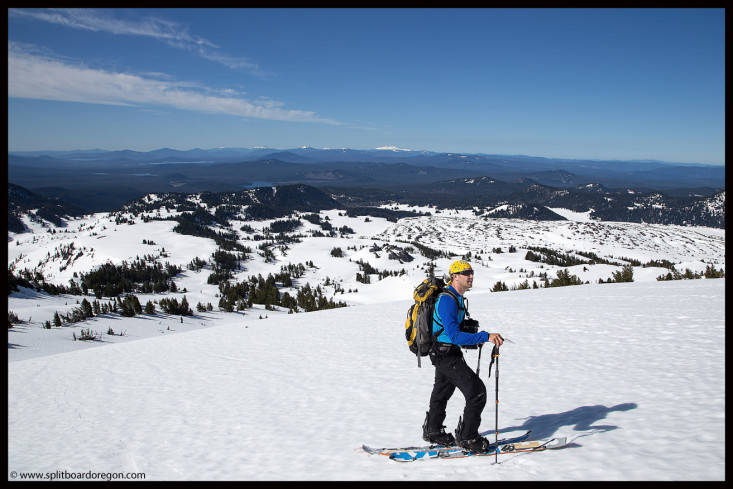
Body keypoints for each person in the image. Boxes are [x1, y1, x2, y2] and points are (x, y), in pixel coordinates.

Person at [421, 260, 504, 452]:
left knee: (442, 391)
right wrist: (485, 336)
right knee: (477, 392)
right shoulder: (448, 300)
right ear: (455, 276)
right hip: (446, 354)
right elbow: (454, 335)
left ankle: (433, 430)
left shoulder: (456, 298)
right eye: (467, 273)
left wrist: (474, 337)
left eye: (472, 272)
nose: (471, 276)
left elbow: (453, 332)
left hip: (445, 352)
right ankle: (468, 438)